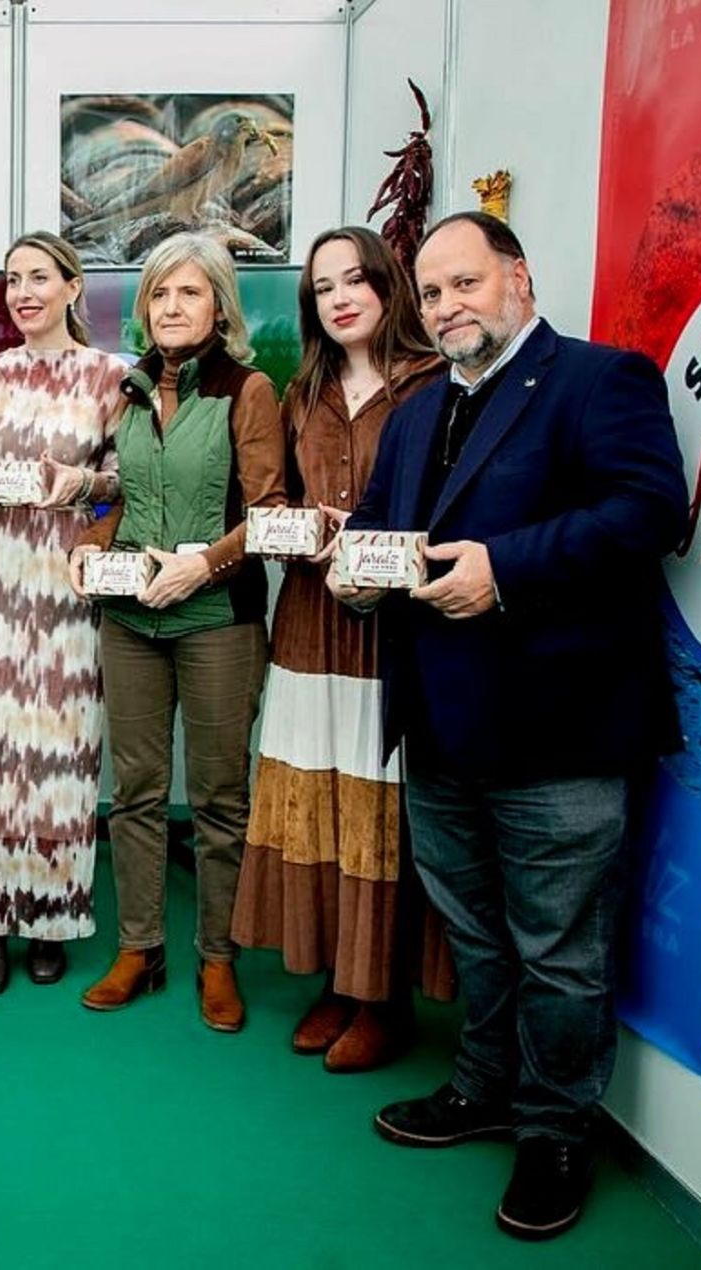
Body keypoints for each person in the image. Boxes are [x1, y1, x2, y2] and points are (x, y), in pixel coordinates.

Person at [330, 212, 684, 1240]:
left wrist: (507, 570)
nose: (445, 306)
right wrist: (357, 572)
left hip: (559, 734)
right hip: (438, 726)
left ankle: (556, 1131)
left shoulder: (598, 379)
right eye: (430, 293)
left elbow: (652, 510)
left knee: (561, 953)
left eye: (463, 283)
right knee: (477, 935)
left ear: (517, 277)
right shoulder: (416, 411)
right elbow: (376, 531)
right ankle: (482, 1087)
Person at [231, 226, 454, 1071]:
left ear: (389, 287)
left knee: (380, 806)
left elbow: (454, 507)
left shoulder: (435, 385)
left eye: (355, 279)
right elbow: (275, 502)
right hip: (309, 621)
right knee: (315, 796)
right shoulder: (306, 389)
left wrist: (371, 545)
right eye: (324, 288)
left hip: (393, 630)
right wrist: (302, 532)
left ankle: (382, 992)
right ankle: (335, 972)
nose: (340, 298)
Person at [68, 233, 285, 1032]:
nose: (170, 308)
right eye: (159, 295)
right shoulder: (126, 391)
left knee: (222, 798)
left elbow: (270, 516)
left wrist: (203, 567)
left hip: (216, 620)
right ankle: (140, 948)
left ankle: (218, 958)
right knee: (134, 792)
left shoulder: (249, 390)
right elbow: (124, 496)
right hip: (128, 620)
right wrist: (90, 551)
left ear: (219, 307)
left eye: (188, 294)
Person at [0, 232, 124, 995]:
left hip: (67, 581)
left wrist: (78, 481)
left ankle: (53, 918)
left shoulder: (110, 377)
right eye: (13, 280)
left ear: (72, 287)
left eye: (38, 278)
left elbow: (127, 483)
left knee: (61, 757)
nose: (23, 292)